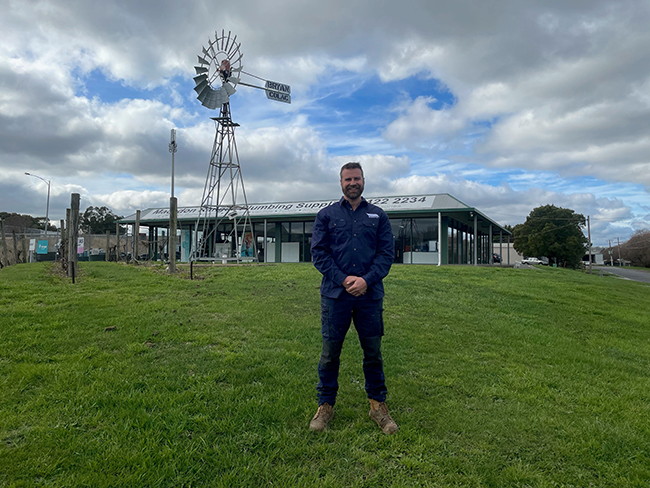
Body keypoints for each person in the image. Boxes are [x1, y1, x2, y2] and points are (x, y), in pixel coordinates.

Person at [309, 162, 397, 434]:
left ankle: (377, 407)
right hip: (335, 297)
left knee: (373, 354)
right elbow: (319, 254)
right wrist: (345, 280)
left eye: (356, 178)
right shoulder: (326, 215)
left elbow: (386, 255)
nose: (352, 183)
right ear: (341, 182)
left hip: (369, 298)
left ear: (363, 180)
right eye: (347, 179)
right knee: (329, 355)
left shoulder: (378, 216)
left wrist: (366, 280)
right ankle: (325, 407)